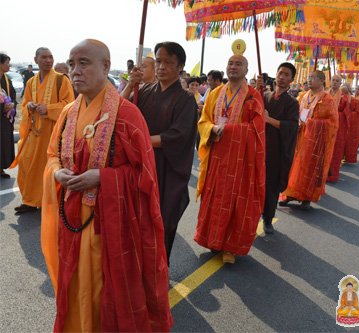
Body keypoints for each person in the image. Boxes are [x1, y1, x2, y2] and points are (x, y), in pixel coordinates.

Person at [41, 39, 173, 332]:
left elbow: (145, 175)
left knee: (105, 294)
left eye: (84, 63)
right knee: (73, 286)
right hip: (72, 221)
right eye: (72, 63)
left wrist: (103, 178)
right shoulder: (66, 114)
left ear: (105, 66)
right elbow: (52, 155)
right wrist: (57, 173)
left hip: (110, 226)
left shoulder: (127, 115)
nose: (75, 70)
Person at [127, 41, 198, 263]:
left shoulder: (186, 100)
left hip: (167, 170)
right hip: (140, 165)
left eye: (169, 62)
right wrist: (130, 85)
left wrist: (142, 142)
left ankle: (157, 273)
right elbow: (120, 114)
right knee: (136, 220)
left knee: (161, 222)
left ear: (180, 67)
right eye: (158, 61)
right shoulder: (144, 90)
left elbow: (177, 136)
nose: (161, 67)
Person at [195, 53, 265, 264]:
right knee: (214, 198)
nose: (233, 67)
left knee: (237, 202)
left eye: (238, 64)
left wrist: (231, 131)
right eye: (230, 63)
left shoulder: (253, 97)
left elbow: (257, 130)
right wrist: (213, 128)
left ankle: (230, 248)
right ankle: (212, 240)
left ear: (246, 70)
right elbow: (203, 121)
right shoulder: (215, 93)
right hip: (217, 157)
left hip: (241, 161)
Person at [11, 47, 74, 214]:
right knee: (26, 164)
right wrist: (29, 106)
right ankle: (29, 200)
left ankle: (48, 202)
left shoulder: (62, 80)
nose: (48, 60)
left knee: (49, 168)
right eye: (44, 57)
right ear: (36, 60)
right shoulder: (31, 82)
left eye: (50, 57)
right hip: (34, 132)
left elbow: (70, 105)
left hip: (52, 133)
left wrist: (49, 109)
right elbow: (25, 104)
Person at [280, 71, 339, 209]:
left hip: (315, 141)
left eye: (313, 78)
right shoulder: (303, 96)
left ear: (322, 81)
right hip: (299, 136)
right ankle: (290, 194)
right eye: (309, 78)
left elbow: (333, 123)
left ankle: (307, 197)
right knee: (294, 165)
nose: (309, 80)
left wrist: (312, 123)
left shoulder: (327, 99)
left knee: (310, 168)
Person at [258, 62, 299, 234]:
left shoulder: (292, 103)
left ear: (291, 80)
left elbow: (291, 127)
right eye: (280, 73)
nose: (282, 77)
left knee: (271, 185)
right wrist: (255, 91)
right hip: (258, 145)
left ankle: (268, 218)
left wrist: (269, 120)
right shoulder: (264, 95)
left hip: (276, 149)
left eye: (286, 75)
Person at [327, 80, 349, 182]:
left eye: (337, 81)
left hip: (338, 126)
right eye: (333, 80)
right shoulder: (325, 94)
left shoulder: (344, 98)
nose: (334, 83)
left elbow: (347, 114)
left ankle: (332, 175)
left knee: (335, 151)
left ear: (340, 83)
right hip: (325, 125)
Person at [1, 53, 16, 178]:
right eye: (7, 62)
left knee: (3, 143)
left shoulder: (6, 79)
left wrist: (11, 106)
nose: (9, 65)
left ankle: (0, 169)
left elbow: (13, 96)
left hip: (5, 119)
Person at [344, 85, 359, 163]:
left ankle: (349, 157)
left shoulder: (358, 100)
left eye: (358, 89)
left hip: (354, 123)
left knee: (351, 141)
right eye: (356, 89)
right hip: (345, 121)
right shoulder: (346, 97)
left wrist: (350, 114)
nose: (357, 90)